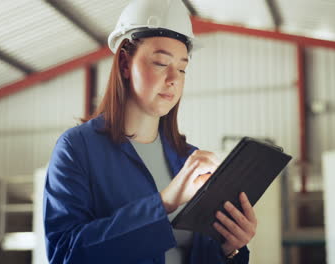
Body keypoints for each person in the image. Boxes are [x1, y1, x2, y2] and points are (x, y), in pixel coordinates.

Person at [43, 0, 257, 263]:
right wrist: (163, 203)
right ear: (124, 63)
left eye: (182, 68)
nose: (174, 79)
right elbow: (65, 254)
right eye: (160, 63)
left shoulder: (188, 160)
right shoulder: (78, 149)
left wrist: (231, 249)